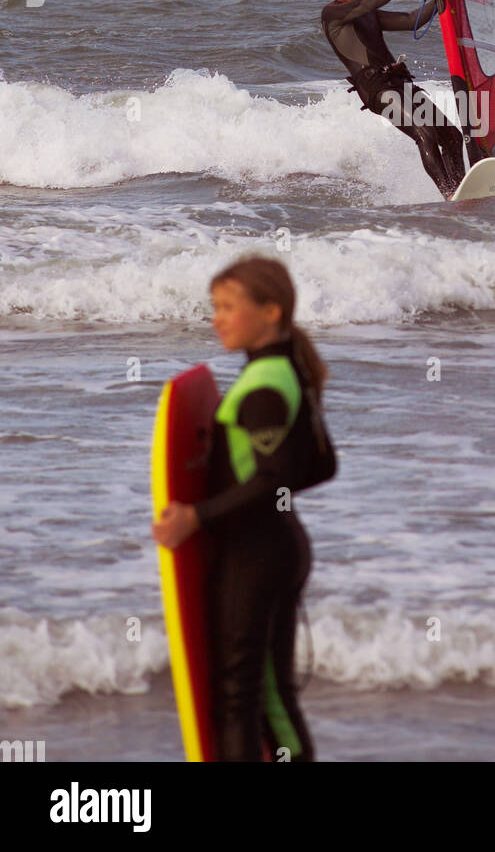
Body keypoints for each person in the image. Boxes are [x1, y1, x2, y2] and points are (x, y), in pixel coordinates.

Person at [152, 256, 327, 762]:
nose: (217, 319)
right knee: (266, 695)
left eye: (229, 307)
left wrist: (196, 517)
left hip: (256, 557)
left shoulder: (266, 386)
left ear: (270, 311)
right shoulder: (286, 372)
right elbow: (319, 465)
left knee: (243, 699)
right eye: (215, 307)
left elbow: (275, 476)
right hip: (274, 546)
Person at [321, 0, 466, 198]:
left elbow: (412, 21)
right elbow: (367, 3)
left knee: (452, 136)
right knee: (425, 133)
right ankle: (450, 196)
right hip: (377, 90)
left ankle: (463, 191)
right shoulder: (331, 14)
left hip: (399, 82)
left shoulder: (369, 16)